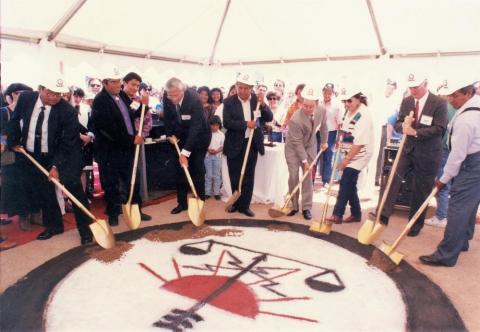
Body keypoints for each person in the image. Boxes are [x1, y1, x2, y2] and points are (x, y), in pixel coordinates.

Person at [7, 75, 94, 244]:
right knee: (45, 191)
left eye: (59, 94)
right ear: (40, 89)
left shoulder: (68, 111)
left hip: (64, 155)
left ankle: (87, 231)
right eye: (50, 93)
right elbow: (15, 119)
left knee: (74, 191)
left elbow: (67, 142)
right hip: (34, 154)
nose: (55, 97)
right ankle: (54, 226)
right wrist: (13, 142)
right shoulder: (26, 98)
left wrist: (55, 166)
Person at [378, 73, 448, 236]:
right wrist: (402, 126)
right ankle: (383, 214)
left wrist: (415, 132)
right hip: (407, 149)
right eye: (411, 87)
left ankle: (414, 225)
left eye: (416, 87)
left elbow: (439, 128)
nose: (413, 90)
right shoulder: (407, 101)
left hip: (429, 153)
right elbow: (398, 123)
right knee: (392, 178)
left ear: (426, 83)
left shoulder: (438, 103)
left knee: (421, 188)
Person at [420, 78, 480, 267]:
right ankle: (462, 241)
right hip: (476, 161)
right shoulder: (473, 106)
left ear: (468, 93)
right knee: (469, 205)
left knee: (458, 208)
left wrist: (443, 180)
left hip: (472, 164)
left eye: (455, 95)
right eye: (449, 94)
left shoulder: (466, 119)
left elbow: (457, 156)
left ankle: (445, 255)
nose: (450, 99)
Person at [91, 69, 149, 226]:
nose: (118, 85)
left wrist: (144, 106)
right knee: (111, 183)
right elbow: (108, 129)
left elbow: (132, 114)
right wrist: (131, 140)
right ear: (105, 83)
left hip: (126, 148)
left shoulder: (121, 96)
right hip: (110, 150)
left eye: (119, 81)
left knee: (132, 180)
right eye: (113, 82)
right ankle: (114, 213)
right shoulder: (100, 100)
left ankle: (136, 210)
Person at [223, 72, 273, 217]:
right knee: (235, 175)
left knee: (249, 176)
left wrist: (263, 105)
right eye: (240, 87)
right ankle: (235, 203)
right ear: (237, 87)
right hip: (234, 144)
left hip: (252, 144)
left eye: (246, 88)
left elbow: (269, 117)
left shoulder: (256, 101)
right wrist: (246, 124)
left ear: (251, 88)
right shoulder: (228, 102)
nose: (243, 91)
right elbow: (227, 122)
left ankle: (245, 206)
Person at [163, 78, 211, 214]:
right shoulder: (168, 96)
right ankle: (182, 203)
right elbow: (167, 118)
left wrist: (185, 153)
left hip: (200, 136)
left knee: (197, 169)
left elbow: (195, 128)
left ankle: (200, 202)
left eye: (176, 95)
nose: (172, 99)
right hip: (180, 135)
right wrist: (169, 135)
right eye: (169, 95)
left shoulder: (194, 100)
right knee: (180, 170)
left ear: (182, 90)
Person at [327, 89, 374, 224]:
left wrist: (345, 161)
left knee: (346, 181)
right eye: (344, 101)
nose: (346, 104)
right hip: (350, 150)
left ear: (359, 99)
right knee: (350, 183)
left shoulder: (363, 115)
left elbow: (359, 143)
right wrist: (340, 140)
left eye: (349, 101)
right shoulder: (349, 110)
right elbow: (346, 129)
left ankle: (337, 214)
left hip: (361, 153)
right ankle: (356, 214)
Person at [284, 87, 328, 220]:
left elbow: (324, 126)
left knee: (308, 177)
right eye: (305, 106)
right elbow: (297, 143)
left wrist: (324, 142)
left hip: (310, 146)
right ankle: (294, 205)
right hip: (293, 148)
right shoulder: (295, 118)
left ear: (317, 103)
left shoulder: (322, 110)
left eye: (311, 106)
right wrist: (304, 161)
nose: (308, 109)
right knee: (293, 176)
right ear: (302, 102)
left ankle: (306, 207)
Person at [424, 81, 456, 228]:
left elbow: (441, 130)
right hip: (449, 148)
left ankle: (441, 216)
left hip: (443, 149)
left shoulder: (445, 106)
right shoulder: (454, 107)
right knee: (444, 181)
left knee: (441, 182)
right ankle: (442, 214)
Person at [1, 83, 34, 228]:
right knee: (17, 187)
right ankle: (23, 217)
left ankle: (32, 214)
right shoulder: (4, 112)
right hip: (11, 157)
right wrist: (10, 143)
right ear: (13, 94)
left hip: (28, 155)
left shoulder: (30, 112)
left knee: (30, 185)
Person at [319, 83, 342, 186]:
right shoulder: (318, 103)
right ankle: (311, 180)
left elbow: (340, 124)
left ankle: (326, 180)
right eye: (325, 92)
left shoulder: (337, 105)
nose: (327, 94)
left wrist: (338, 139)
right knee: (316, 155)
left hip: (331, 133)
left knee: (328, 156)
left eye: (329, 92)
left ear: (332, 93)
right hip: (318, 132)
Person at [204, 115, 224, 200]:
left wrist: (217, 151)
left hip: (217, 156)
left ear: (219, 125)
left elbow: (223, 146)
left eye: (217, 125)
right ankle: (207, 192)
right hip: (208, 156)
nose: (215, 127)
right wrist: (208, 149)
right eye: (212, 125)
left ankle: (217, 192)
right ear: (209, 125)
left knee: (217, 175)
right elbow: (204, 144)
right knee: (208, 175)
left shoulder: (221, 135)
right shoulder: (206, 133)